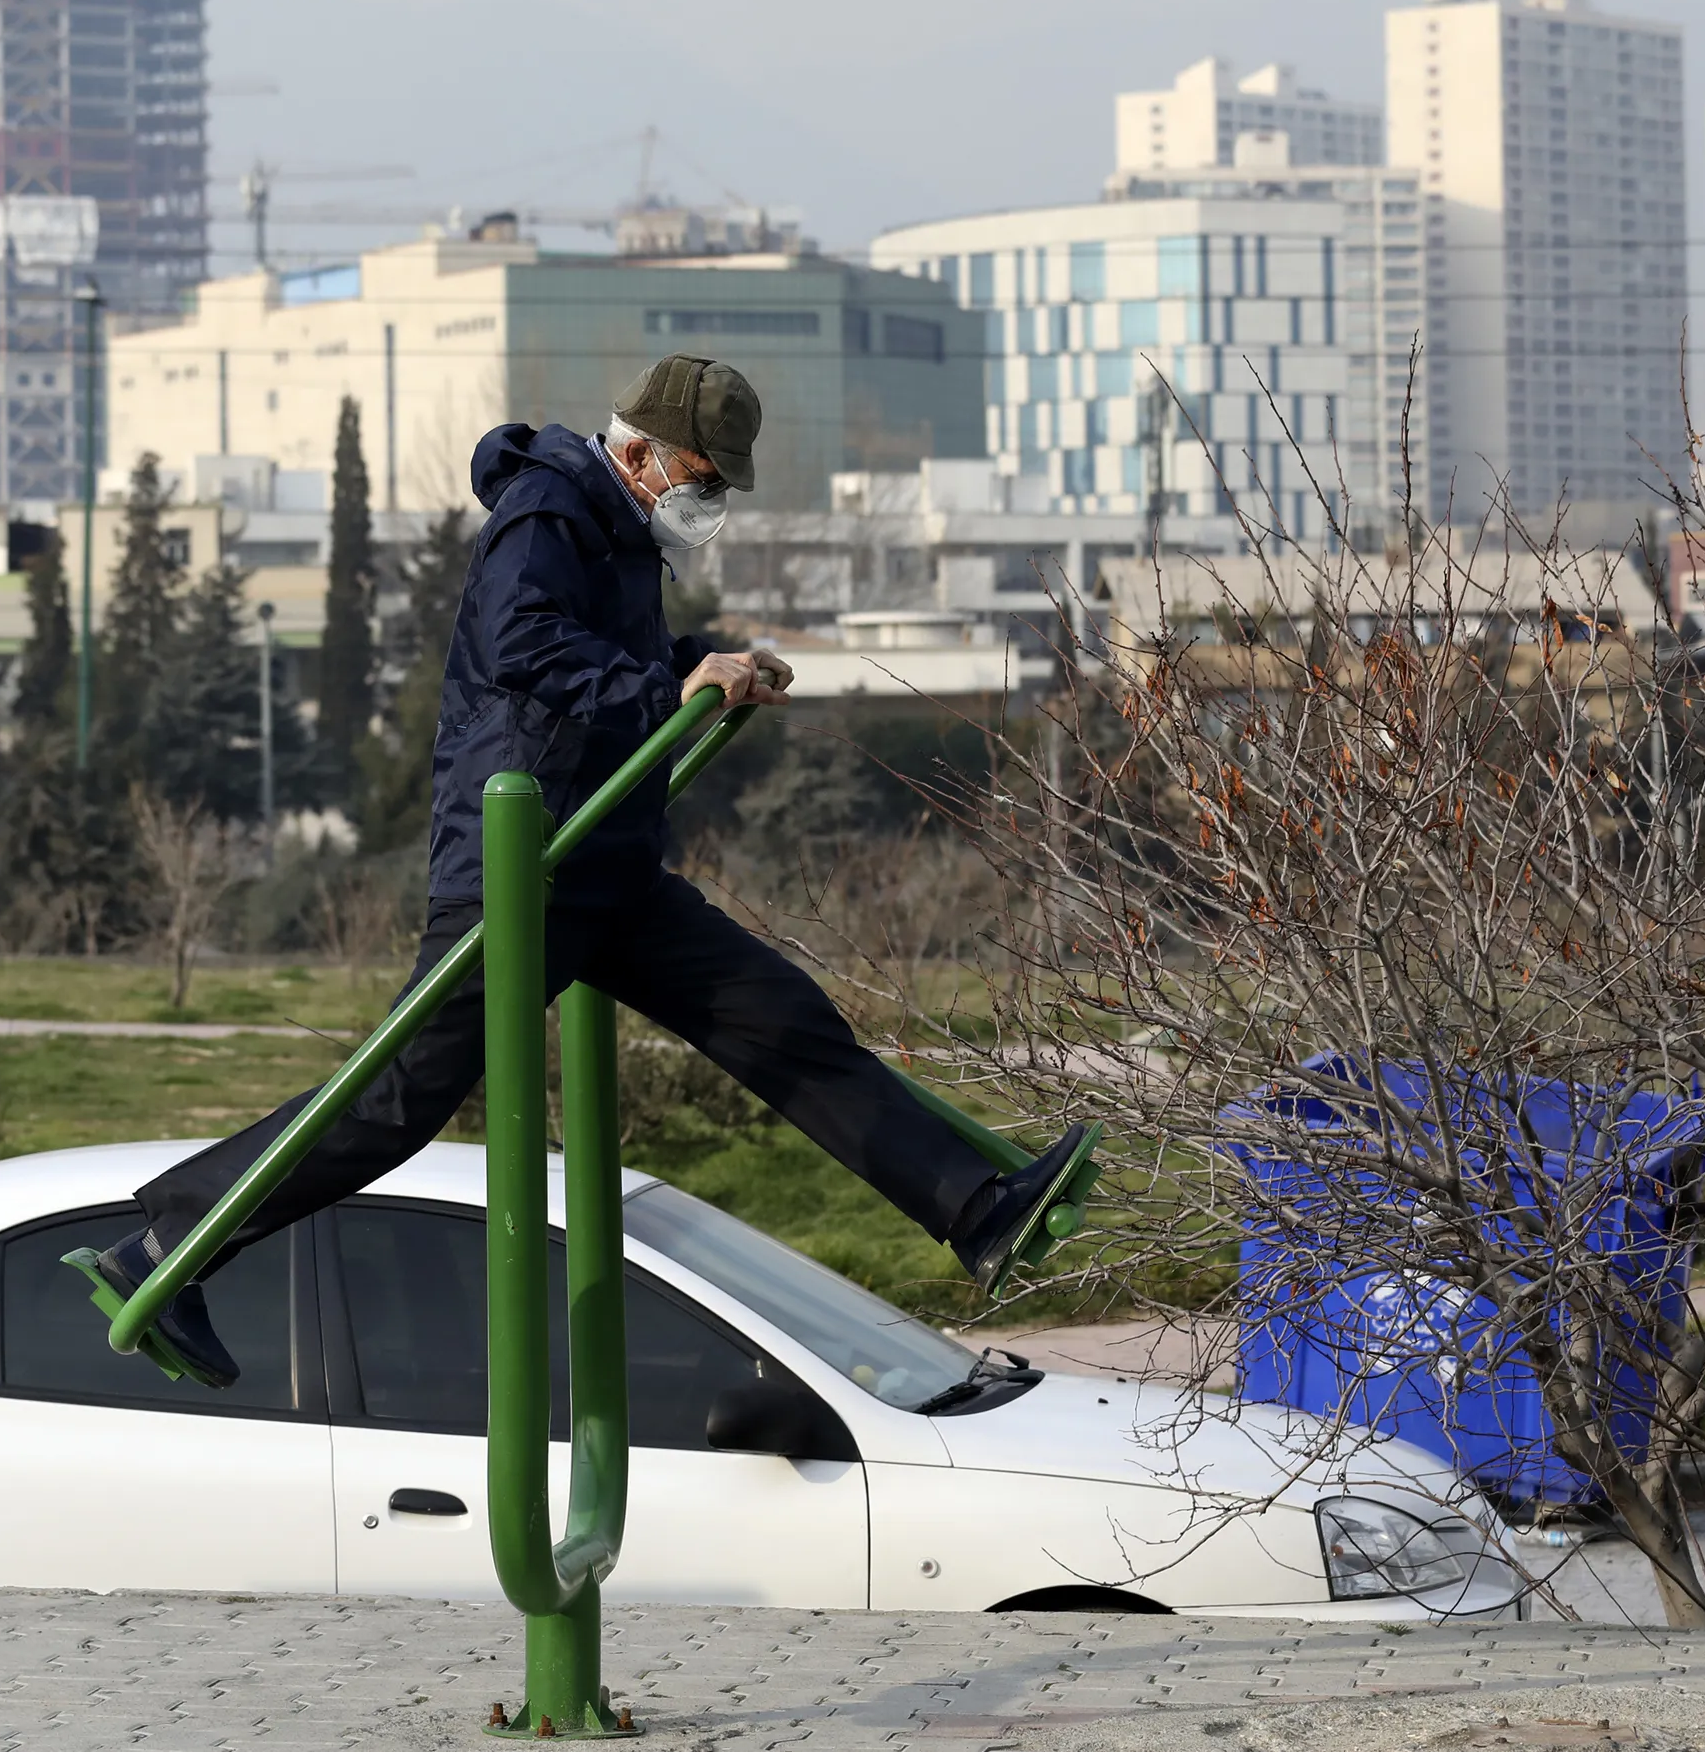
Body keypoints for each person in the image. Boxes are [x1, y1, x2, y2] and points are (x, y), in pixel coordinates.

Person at [93, 352, 1090, 1386]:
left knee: (778, 1016)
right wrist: (668, 688)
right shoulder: (549, 512)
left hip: (605, 859)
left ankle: (976, 1209)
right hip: (525, 865)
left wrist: (705, 666)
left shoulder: (620, 533)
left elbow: (615, 659)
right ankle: (168, 1244)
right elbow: (523, 644)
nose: (710, 499)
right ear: (643, 453)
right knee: (394, 1100)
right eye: (703, 477)